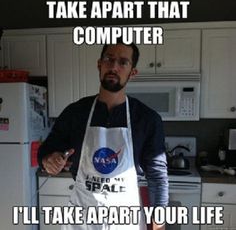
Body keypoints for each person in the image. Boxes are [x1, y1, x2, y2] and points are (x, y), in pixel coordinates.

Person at [38, 38, 169, 230]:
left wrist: (159, 224)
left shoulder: (147, 119)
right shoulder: (75, 113)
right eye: (109, 59)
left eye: (123, 62)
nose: (114, 66)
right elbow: (46, 151)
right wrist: (49, 160)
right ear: (99, 65)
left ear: (132, 72)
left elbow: (157, 176)